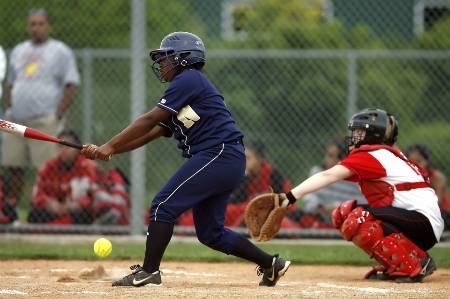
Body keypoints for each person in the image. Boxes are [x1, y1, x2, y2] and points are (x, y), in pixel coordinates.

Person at [80, 32, 290, 287]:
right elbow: (153, 132)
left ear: (183, 58)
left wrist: (108, 144)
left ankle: (148, 271)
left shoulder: (188, 79)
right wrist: (109, 151)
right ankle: (271, 264)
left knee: (161, 206)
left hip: (218, 154)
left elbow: (147, 118)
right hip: (226, 158)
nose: (161, 64)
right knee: (211, 234)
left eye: (166, 58)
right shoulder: (187, 88)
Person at [276, 108, 444, 283]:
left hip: (423, 223)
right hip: (418, 222)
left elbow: (328, 175)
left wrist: (289, 196)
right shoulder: (384, 154)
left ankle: (417, 262)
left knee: (357, 218)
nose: (353, 136)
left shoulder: (373, 155)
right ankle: (398, 263)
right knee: (343, 213)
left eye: (359, 132)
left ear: (372, 135)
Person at [1, 8, 80, 220]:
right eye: (32, 24)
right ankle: (13, 214)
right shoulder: (19, 50)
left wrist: (58, 114)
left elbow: (71, 84)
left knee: (47, 169)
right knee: (14, 167)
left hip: (45, 120)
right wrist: (8, 107)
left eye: (40, 23)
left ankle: (47, 214)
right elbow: (9, 83)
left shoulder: (59, 51)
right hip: (16, 120)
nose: (36, 28)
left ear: (48, 26)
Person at [177, 140, 294, 227]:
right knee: (227, 210)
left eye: (248, 158)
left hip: (266, 211)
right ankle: (185, 223)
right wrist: (245, 177)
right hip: (243, 209)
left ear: (259, 159)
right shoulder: (242, 174)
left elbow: (283, 200)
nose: (244, 161)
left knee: (236, 210)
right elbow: (235, 199)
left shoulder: (272, 173)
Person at [28, 130, 130, 225]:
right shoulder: (48, 167)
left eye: (68, 147)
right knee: (34, 215)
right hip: (55, 211)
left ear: (77, 149)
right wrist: (52, 205)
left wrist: (70, 206)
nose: (63, 150)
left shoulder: (87, 167)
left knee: (84, 214)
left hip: (78, 213)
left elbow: (93, 196)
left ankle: (57, 228)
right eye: (60, 146)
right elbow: (36, 196)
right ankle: (56, 228)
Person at [300, 137, 366, 227]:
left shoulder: (355, 179)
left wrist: (337, 207)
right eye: (327, 155)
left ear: (342, 158)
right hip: (319, 221)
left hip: (347, 223)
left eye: (331, 156)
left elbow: (363, 204)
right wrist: (318, 206)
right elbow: (308, 198)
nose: (326, 159)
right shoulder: (317, 172)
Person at [406, 143, 450, 229]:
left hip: (440, 213)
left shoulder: (436, 177)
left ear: (427, 161)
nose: (416, 165)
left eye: (419, 161)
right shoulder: (407, 177)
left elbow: (437, 203)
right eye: (412, 162)